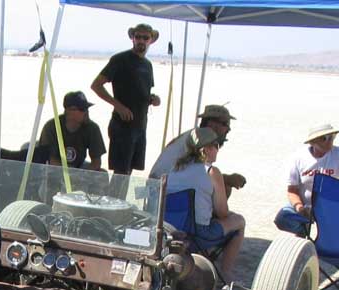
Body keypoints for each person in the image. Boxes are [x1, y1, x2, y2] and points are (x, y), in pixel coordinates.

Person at [166, 128, 246, 285]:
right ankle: (226, 273)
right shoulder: (211, 172)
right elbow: (222, 212)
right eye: (217, 145)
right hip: (198, 234)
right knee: (239, 221)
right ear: (207, 149)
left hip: (173, 231)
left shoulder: (174, 169)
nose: (218, 149)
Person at [90, 23, 162, 175]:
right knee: (120, 174)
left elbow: (143, 93)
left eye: (145, 38)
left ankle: (119, 200)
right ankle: (114, 199)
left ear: (151, 40)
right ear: (133, 38)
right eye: (138, 37)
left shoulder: (147, 65)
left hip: (140, 126)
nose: (141, 41)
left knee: (128, 173)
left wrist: (153, 99)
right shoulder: (120, 59)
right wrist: (118, 106)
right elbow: (96, 85)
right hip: (122, 126)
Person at [274, 123, 339, 234]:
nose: (329, 141)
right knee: (282, 218)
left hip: (331, 204)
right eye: (324, 138)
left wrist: (331, 205)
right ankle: (304, 232)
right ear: (313, 142)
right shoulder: (299, 157)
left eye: (331, 137)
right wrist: (300, 208)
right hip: (305, 204)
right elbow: (292, 190)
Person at [150, 104, 247, 196]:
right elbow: (196, 175)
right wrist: (227, 179)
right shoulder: (199, 139)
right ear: (209, 123)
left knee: (223, 186)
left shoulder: (193, 136)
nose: (225, 128)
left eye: (225, 124)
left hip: (160, 188)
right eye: (223, 124)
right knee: (224, 187)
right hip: (162, 191)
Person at [38, 91, 106, 170]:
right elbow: (50, 159)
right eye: (82, 109)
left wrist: (82, 175)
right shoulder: (52, 127)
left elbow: (96, 162)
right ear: (69, 111)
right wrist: (70, 174)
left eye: (87, 108)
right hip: (54, 169)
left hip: (78, 168)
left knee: (102, 173)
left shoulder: (92, 128)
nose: (86, 112)